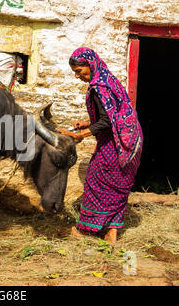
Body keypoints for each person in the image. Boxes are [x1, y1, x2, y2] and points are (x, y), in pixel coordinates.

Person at [57, 47, 143, 245]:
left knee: (95, 181)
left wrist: (78, 134)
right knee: (119, 184)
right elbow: (113, 112)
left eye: (79, 71)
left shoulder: (99, 86)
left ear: (90, 64)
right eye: (75, 72)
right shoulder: (108, 79)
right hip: (132, 139)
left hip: (117, 142)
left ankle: (85, 230)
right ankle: (111, 233)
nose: (77, 76)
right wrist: (87, 123)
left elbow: (106, 121)